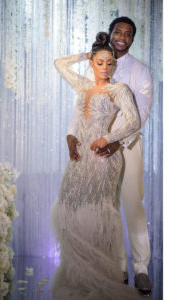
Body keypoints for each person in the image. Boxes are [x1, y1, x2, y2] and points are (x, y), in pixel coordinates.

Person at [51, 32, 146, 300]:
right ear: (92, 63)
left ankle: (101, 274)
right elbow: (59, 63)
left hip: (104, 158)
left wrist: (108, 137)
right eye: (100, 62)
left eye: (110, 63)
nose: (106, 68)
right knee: (67, 207)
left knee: (99, 215)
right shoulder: (82, 86)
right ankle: (78, 272)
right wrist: (71, 137)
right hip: (79, 157)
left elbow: (134, 121)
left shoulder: (119, 89)